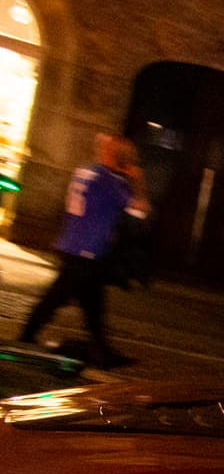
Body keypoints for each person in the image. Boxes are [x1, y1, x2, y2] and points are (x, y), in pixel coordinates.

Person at [16, 134, 147, 367]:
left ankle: (101, 349)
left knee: (91, 303)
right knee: (57, 297)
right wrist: (136, 181)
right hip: (87, 252)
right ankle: (26, 337)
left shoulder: (86, 172)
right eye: (125, 155)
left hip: (73, 244)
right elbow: (139, 211)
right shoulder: (110, 181)